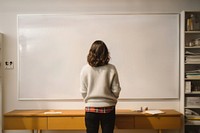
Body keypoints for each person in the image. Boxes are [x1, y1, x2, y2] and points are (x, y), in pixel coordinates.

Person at [80, 40, 121, 133]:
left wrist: (90, 99)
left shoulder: (85, 69)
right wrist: (110, 99)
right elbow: (116, 90)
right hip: (108, 109)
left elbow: (83, 91)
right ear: (106, 53)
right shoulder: (111, 68)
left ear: (91, 53)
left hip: (91, 109)